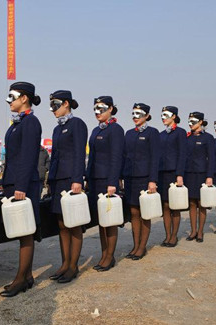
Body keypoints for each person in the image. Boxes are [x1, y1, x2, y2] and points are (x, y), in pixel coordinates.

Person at [0, 82, 42, 297]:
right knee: (20, 230)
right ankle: (26, 276)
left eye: (12, 97)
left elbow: (28, 156)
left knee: (25, 231)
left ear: (24, 98)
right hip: (14, 182)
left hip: (22, 185)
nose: (10, 101)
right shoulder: (17, 123)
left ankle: (20, 279)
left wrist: (21, 186)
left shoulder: (31, 122)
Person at [47, 90, 87, 283]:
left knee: (74, 223)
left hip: (71, 180)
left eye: (55, 104)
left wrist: (78, 179)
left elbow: (80, 154)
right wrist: (50, 180)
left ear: (65, 104)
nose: (52, 109)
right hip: (57, 180)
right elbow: (54, 156)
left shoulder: (77, 124)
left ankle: (73, 266)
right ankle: (64, 263)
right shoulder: (56, 129)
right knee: (61, 224)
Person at [86, 96, 124, 271]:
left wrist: (112, 182)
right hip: (95, 180)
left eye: (101, 108)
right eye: (95, 109)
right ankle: (103, 254)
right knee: (101, 220)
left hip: (107, 181)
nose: (97, 112)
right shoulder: (95, 130)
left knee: (110, 220)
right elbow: (91, 157)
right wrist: (87, 178)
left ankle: (110, 257)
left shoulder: (115, 130)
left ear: (110, 109)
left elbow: (116, 157)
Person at [123, 103, 159, 260]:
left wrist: (153, 180)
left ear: (147, 116)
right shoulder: (129, 133)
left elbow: (155, 158)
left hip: (145, 178)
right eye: (133, 113)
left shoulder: (153, 133)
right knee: (133, 212)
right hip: (130, 177)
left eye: (139, 114)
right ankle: (135, 245)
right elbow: (124, 157)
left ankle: (142, 247)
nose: (135, 117)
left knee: (144, 213)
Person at [158, 106, 186, 247]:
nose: (163, 117)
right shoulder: (161, 134)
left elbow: (182, 155)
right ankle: (167, 236)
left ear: (174, 116)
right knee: (165, 206)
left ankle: (174, 236)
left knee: (174, 206)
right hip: (162, 173)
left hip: (174, 173)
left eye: (166, 115)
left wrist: (179, 174)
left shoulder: (180, 133)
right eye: (162, 115)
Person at [184, 112, 214, 243]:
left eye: (194, 121)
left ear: (201, 122)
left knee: (202, 204)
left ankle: (200, 231)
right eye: (190, 121)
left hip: (202, 173)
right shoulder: (187, 137)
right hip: (189, 173)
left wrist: (209, 176)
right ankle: (193, 231)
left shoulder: (208, 138)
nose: (191, 124)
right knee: (191, 203)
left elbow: (212, 159)